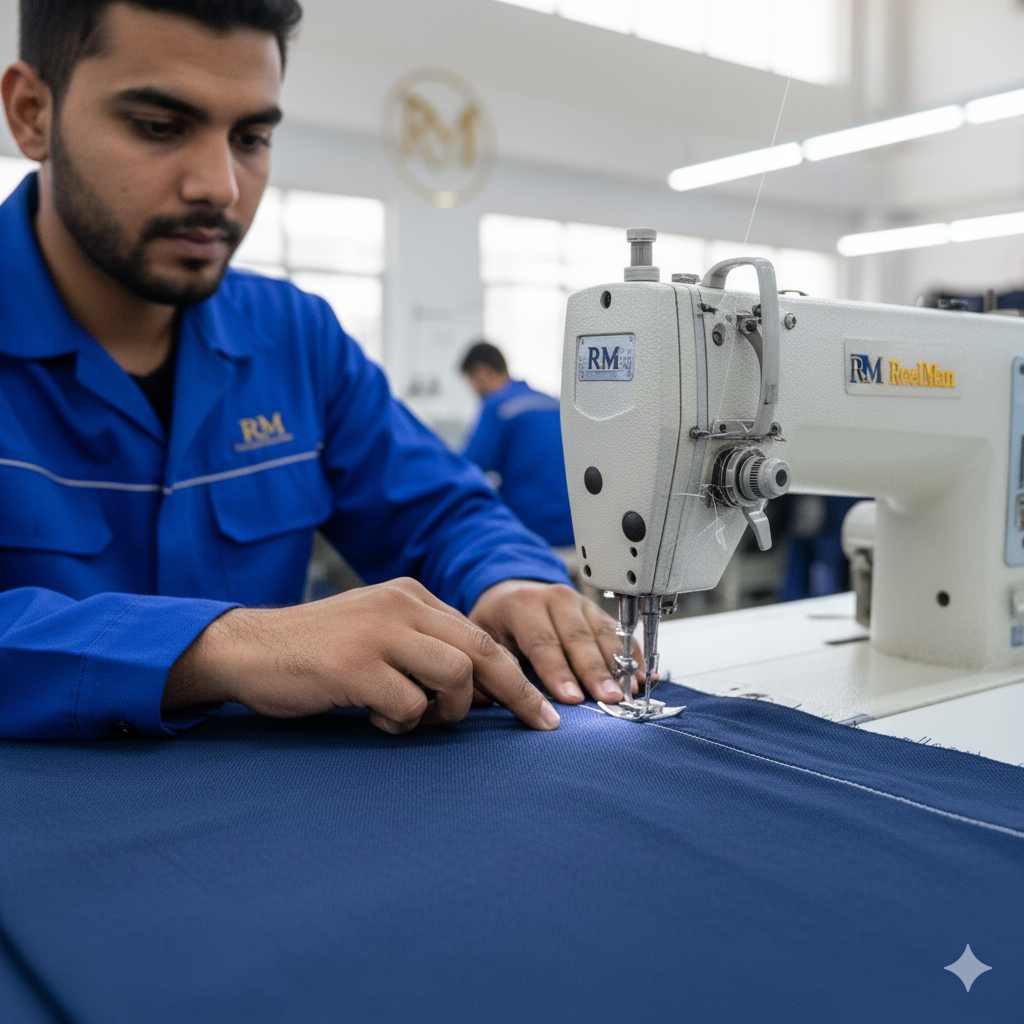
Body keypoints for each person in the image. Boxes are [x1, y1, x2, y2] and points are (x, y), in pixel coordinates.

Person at [0, 0, 639, 741]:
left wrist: (508, 579)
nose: (220, 186)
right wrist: (227, 647)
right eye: (159, 127)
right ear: (32, 114)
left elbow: (443, 510)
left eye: (251, 137)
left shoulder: (297, 339)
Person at [460, 342, 574, 548]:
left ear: (481, 372)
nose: (474, 391)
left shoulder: (497, 404)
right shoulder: (551, 401)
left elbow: (468, 467)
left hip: (534, 528)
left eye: (471, 383)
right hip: (574, 527)